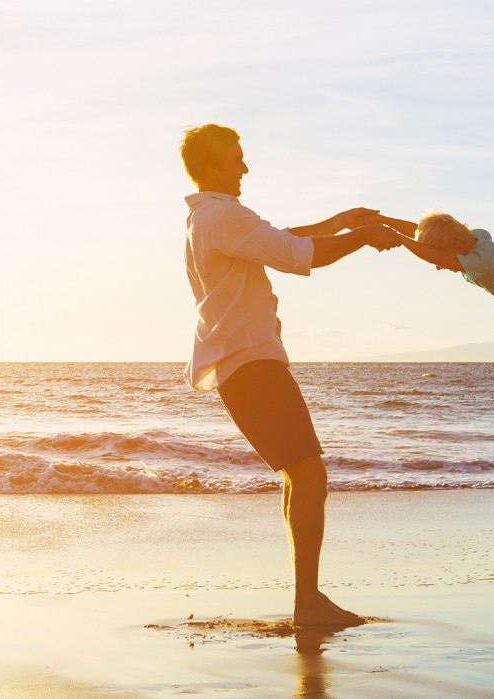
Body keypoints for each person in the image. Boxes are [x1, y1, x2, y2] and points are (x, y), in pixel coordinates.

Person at [179, 123, 401, 629]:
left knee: (300, 473)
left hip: (245, 362)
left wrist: (341, 222)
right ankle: (308, 603)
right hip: (251, 361)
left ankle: (308, 599)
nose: (245, 167)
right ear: (214, 165)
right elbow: (298, 256)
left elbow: (278, 242)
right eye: (237, 159)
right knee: (309, 472)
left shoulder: (208, 218)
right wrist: (362, 237)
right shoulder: (222, 215)